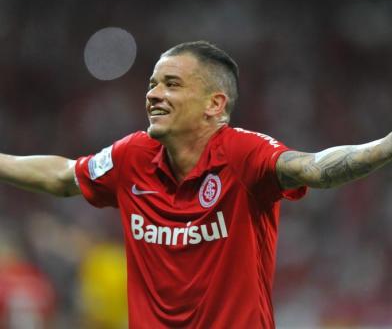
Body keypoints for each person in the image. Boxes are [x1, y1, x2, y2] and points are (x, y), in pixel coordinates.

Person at [0, 40, 391, 328]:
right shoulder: (132, 156)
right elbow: (63, 176)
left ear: (214, 104)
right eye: (153, 84)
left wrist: (386, 145)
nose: (153, 94)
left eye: (171, 84)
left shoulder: (242, 154)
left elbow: (314, 168)